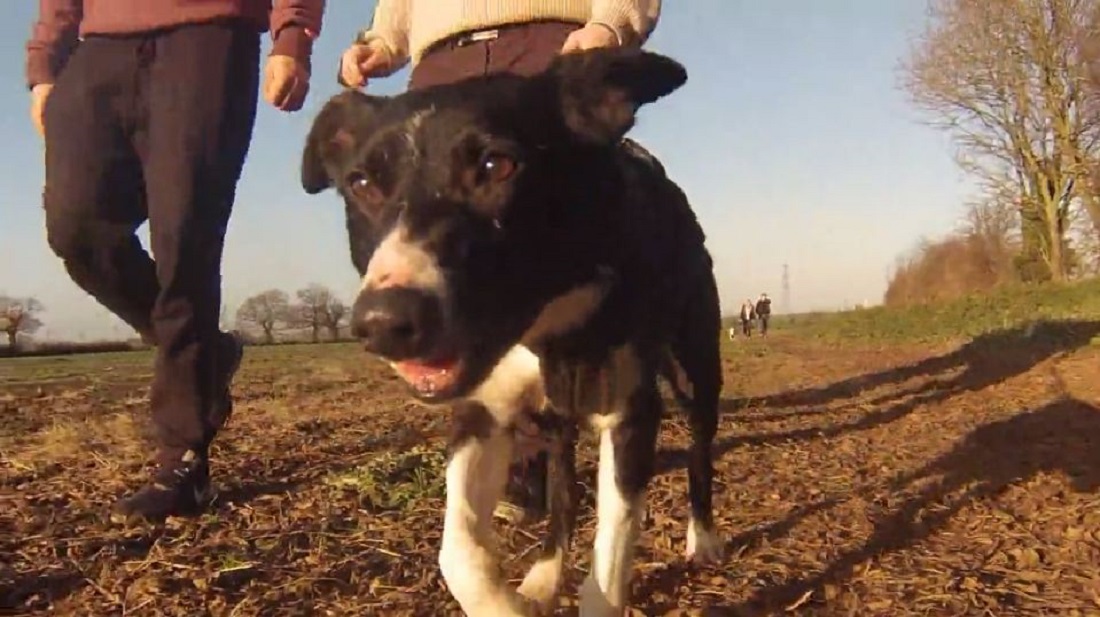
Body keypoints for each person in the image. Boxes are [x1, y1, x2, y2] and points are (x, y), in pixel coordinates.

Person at [336, 0, 661, 524]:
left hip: (546, 46)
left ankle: (599, 410)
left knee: (548, 255)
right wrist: (383, 41)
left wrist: (612, 22)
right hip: (440, 61)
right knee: (446, 269)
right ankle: (519, 447)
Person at [26, 0, 326, 522]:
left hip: (208, 38)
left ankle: (182, 458)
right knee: (75, 227)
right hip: (98, 49)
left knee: (184, 237)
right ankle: (206, 354)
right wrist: (45, 64)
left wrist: (293, 32)